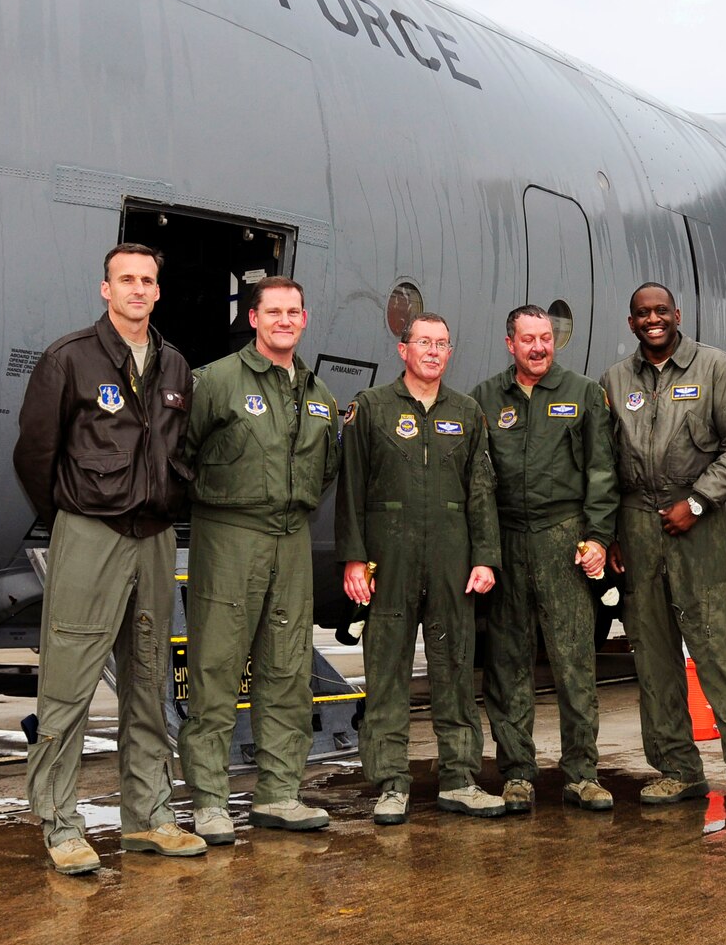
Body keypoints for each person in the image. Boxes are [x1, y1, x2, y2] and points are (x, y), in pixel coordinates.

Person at [13, 243, 206, 873]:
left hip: (153, 538)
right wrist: (73, 512)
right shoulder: (68, 358)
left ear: (158, 291)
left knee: (148, 680)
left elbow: (179, 450)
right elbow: (35, 455)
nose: (138, 290)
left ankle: (151, 817)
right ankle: (60, 822)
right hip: (89, 532)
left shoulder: (175, 366)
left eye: (148, 280)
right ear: (106, 289)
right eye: (126, 279)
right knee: (67, 683)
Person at [601, 284, 726, 814]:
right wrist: (611, 530)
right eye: (642, 314)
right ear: (631, 322)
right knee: (654, 659)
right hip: (637, 524)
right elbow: (604, 461)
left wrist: (699, 503)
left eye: (661, 311)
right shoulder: (615, 380)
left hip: (696, 525)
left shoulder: (716, 368)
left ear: (676, 315)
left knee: (720, 655)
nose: (652, 320)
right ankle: (678, 770)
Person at [179, 277, 340, 845]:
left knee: (287, 668)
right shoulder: (217, 381)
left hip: (292, 536)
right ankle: (208, 802)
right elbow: (181, 454)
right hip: (230, 534)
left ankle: (279, 794)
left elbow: (325, 470)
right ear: (253, 318)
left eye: (294, 311)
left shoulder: (318, 393)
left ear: (305, 318)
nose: (284, 320)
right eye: (273, 311)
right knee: (217, 667)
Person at [337, 312, 505, 824]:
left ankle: (460, 778)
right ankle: (391, 782)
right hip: (388, 558)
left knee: (454, 667)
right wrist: (353, 558)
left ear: (449, 354)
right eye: (423, 342)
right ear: (402, 350)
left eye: (442, 344)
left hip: (453, 558)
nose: (432, 351)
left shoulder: (468, 412)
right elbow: (351, 489)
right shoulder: (371, 408)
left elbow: (482, 490)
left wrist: (485, 557)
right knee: (385, 670)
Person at [470, 305, 618, 813]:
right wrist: (484, 550)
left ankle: (582, 773)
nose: (539, 347)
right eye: (528, 339)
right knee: (507, 664)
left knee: (574, 661)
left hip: (564, 535)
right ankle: (516, 774)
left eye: (547, 338)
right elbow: (478, 483)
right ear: (509, 343)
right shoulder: (485, 398)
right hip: (508, 539)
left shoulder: (582, 393)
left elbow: (602, 469)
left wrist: (598, 535)